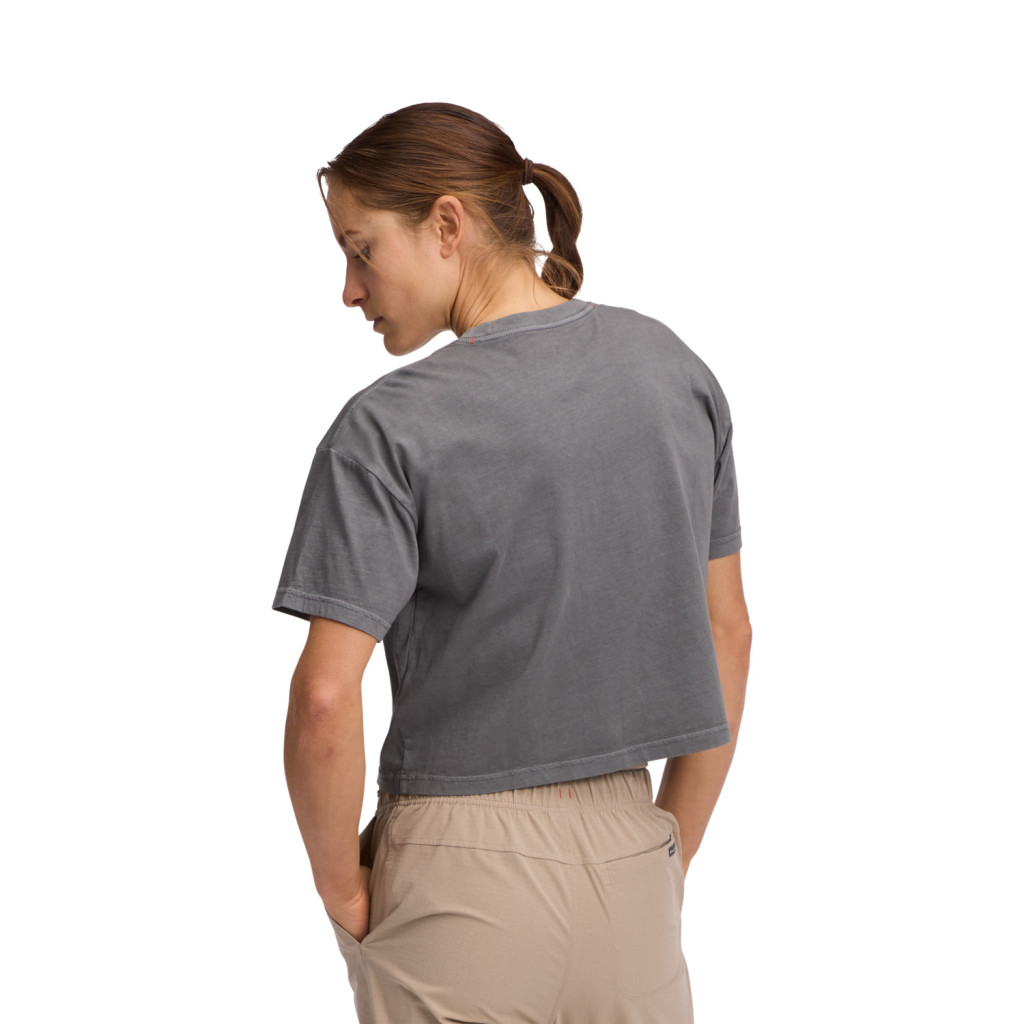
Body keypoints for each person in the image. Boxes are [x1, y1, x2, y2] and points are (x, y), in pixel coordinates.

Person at [273, 101, 752, 1023]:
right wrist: (671, 853)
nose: (350, 289)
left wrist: (343, 893)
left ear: (447, 225)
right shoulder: (676, 373)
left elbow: (325, 696)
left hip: (457, 876)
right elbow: (728, 632)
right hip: (633, 862)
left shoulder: (388, 427)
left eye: (362, 249)